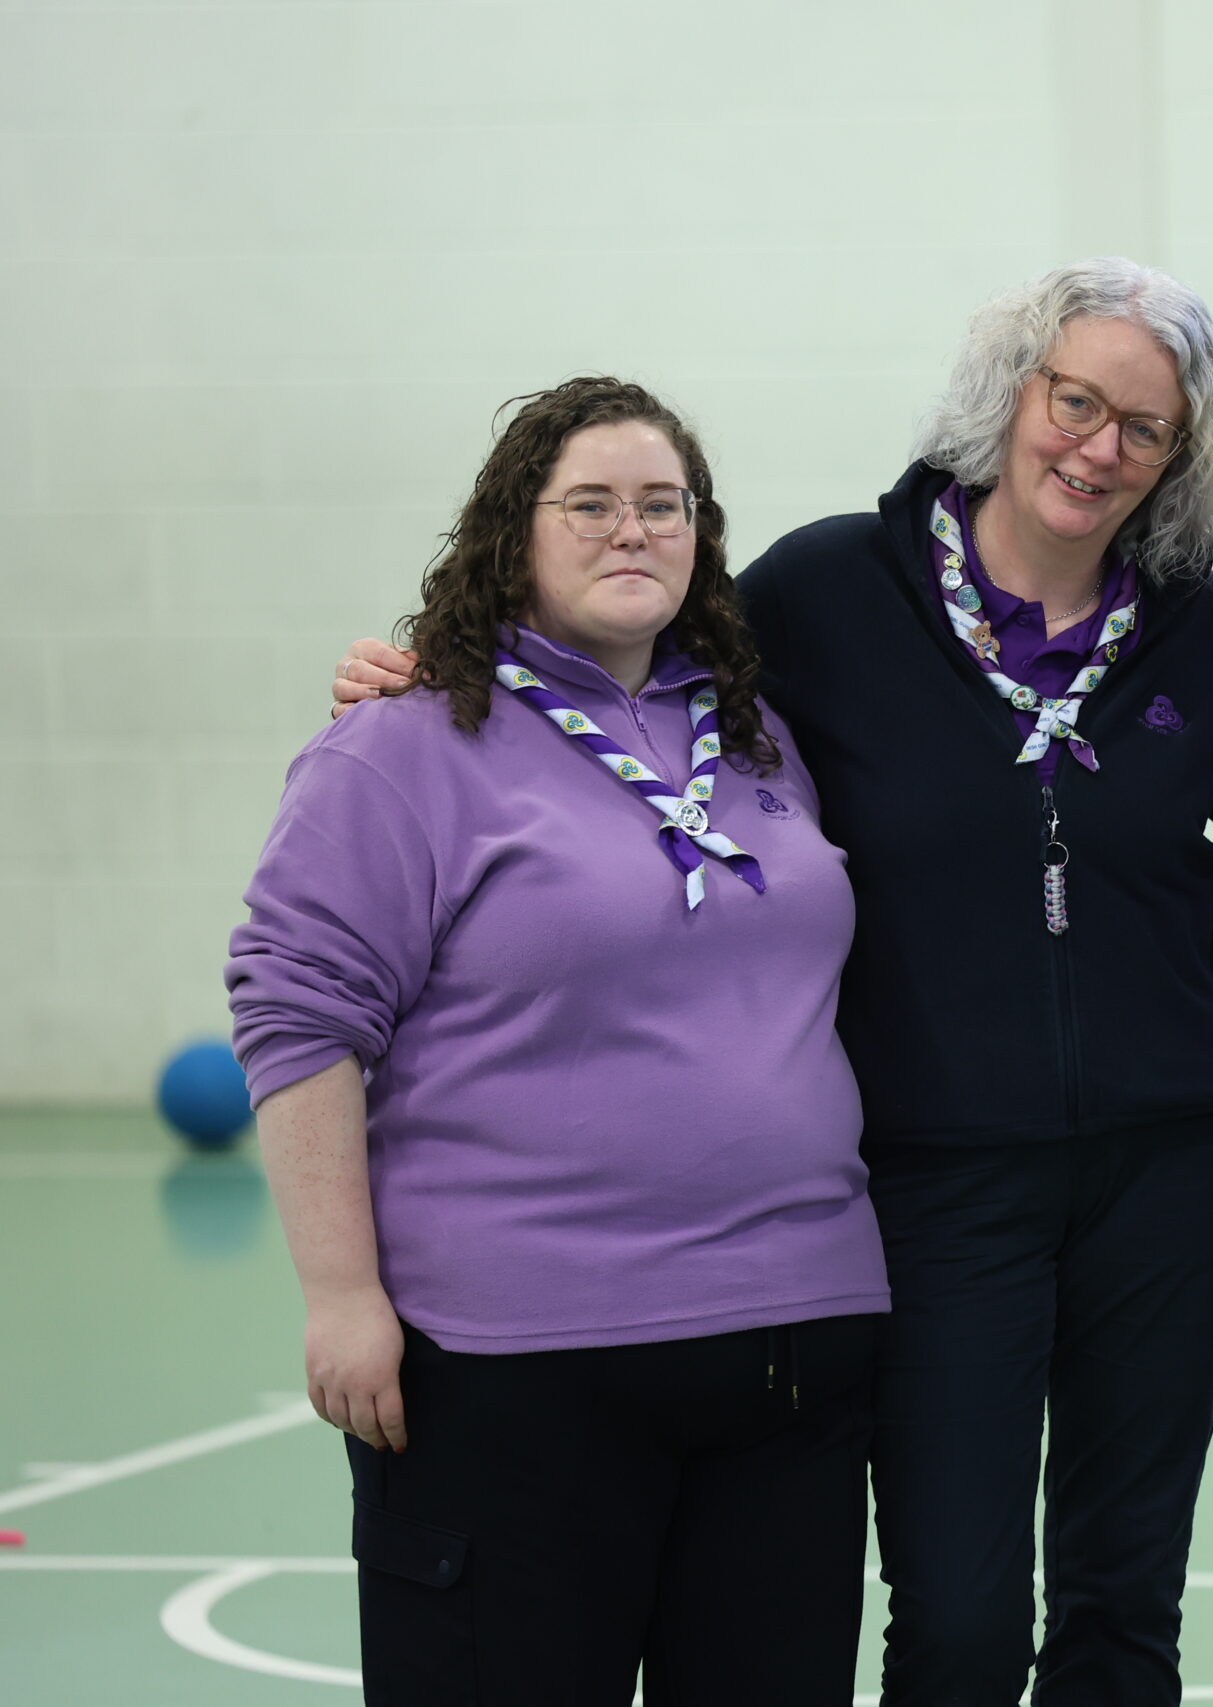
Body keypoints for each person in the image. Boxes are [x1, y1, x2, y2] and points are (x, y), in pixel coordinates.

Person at [332, 261, 1213, 1707]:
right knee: (959, 1616)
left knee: (1122, 1602)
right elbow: (621, 681)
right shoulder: (833, 588)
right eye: (1071, 399)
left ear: (1177, 459)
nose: (1095, 447)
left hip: (1176, 1178)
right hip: (940, 1178)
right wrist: (429, 678)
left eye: (1141, 428)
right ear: (1010, 397)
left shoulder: (1203, 636)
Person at [231, 377, 890, 1705]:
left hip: (791, 1352)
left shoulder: (761, 743)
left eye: (663, 504)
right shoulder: (404, 747)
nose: (629, 529)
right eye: (588, 503)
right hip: (517, 1368)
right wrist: (343, 1292)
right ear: (513, 532)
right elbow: (296, 1010)